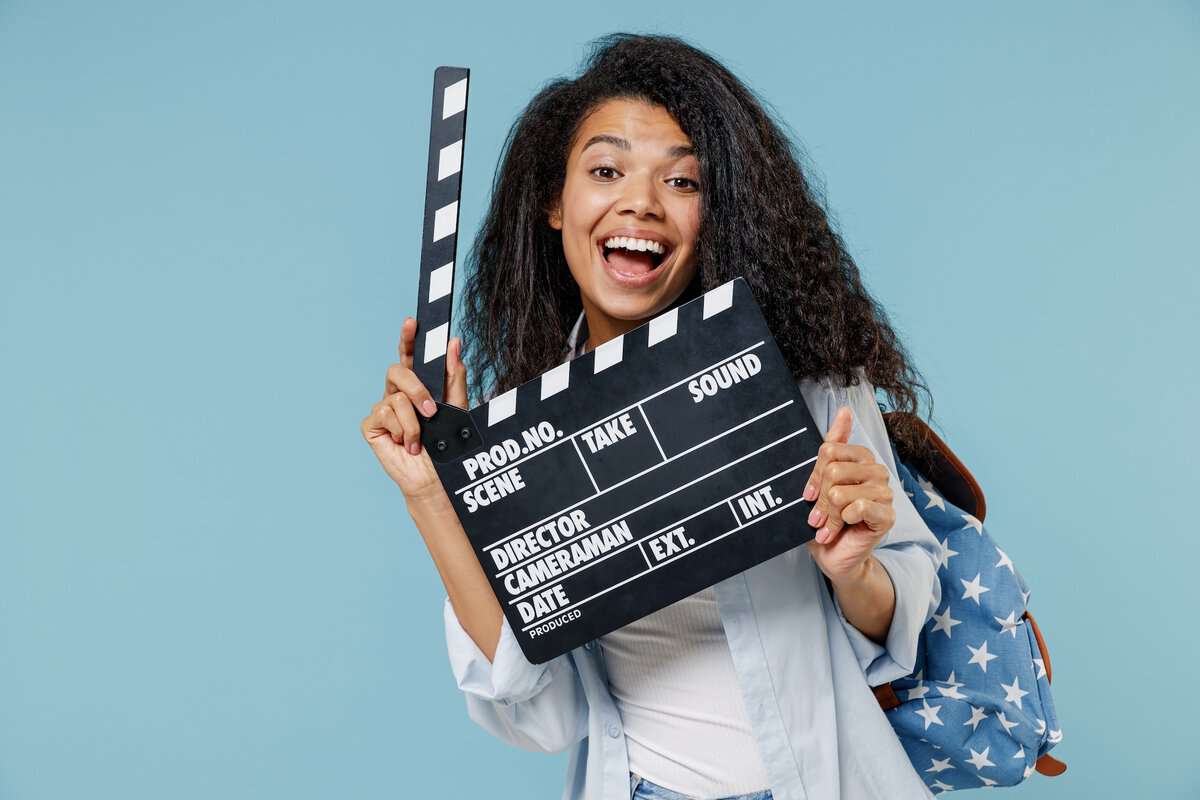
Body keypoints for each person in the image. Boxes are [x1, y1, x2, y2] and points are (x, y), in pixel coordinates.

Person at [361, 33, 943, 800]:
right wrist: (435, 496)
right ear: (554, 201)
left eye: (683, 180)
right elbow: (540, 713)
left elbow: (907, 610)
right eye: (606, 170)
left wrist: (854, 570)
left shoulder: (809, 383)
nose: (641, 201)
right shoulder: (525, 434)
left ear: (719, 211)